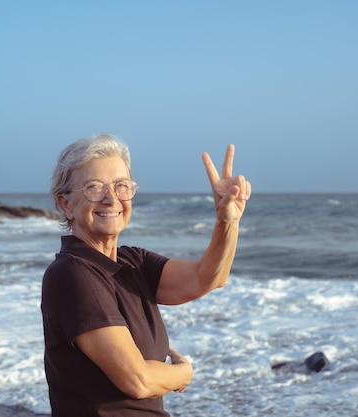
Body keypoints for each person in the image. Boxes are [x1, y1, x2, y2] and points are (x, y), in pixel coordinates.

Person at [41, 133, 251, 416]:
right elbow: (137, 380)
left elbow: (208, 277)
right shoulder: (72, 273)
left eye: (122, 186)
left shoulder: (133, 262)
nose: (111, 198)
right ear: (65, 204)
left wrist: (227, 222)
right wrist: (183, 374)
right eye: (93, 187)